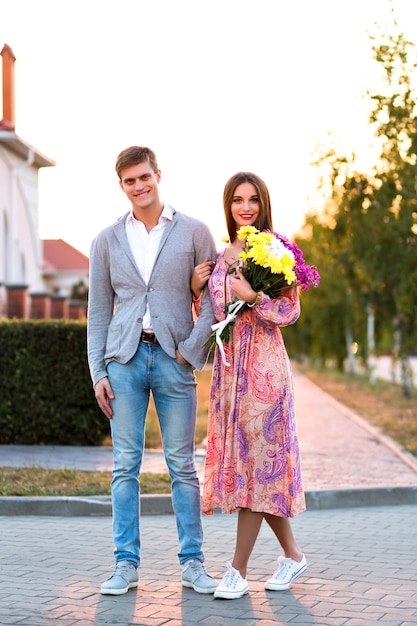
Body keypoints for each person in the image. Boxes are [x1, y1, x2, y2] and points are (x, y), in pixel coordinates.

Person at [87, 145, 218, 596]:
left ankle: (193, 563)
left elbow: (214, 300)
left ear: (158, 175)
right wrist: (97, 372)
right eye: (130, 181)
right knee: (125, 468)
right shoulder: (106, 240)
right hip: (122, 362)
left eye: (145, 177)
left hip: (171, 359)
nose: (139, 186)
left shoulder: (195, 231)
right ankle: (125, 564)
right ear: (121, 185)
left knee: (182, 466)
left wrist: (190, 351)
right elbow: (98, 312)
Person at [193, 172, 307, 600]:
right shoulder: (224, 255)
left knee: (256, 466)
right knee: (253, 469)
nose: (246, 207)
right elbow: (214, 315)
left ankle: (236, 570)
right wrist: (196, 289)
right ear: (228, 205)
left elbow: (290, 311)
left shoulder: (276, 251)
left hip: (265, 370)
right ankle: (293, 556)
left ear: (263, 204)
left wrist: (256, 296)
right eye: (238, 200)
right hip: (230, 373)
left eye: (253, 200)